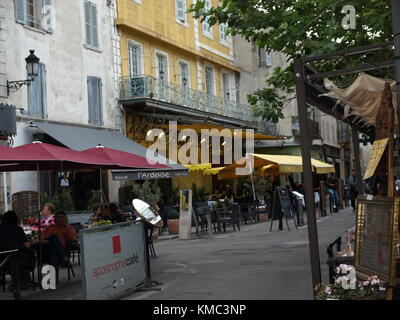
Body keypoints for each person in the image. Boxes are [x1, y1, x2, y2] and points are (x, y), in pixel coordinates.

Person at [0, 211, 35, 290]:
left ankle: (21, 282)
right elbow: (26, 244)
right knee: (27, 253)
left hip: (3, 260)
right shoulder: (17, 229)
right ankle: (24, 281)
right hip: (17, 258)